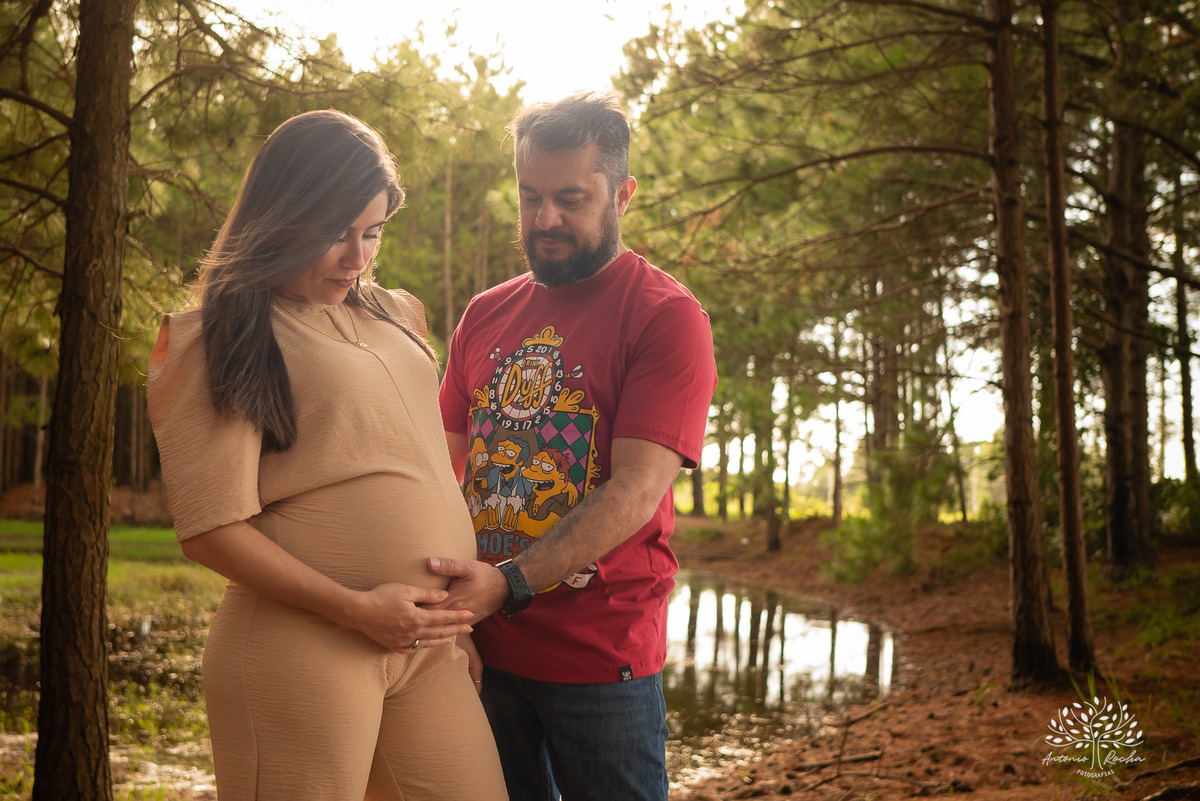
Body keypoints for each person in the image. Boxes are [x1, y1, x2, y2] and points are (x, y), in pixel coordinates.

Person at [147, 109, 507, 801]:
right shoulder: (218, 336)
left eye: (371, 232)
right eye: (333, 233)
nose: (357, 256)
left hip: (427, 644)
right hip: (301, 646)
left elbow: (421, 463)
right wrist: (356, 608)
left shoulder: (397, 314)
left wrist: (457, 630)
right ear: (281, 217)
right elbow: (209, 528)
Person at [430, 91, 718, 801]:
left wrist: (504, 584)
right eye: (530, 197)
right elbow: (440, 471)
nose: (545, 219)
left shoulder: (665, 316)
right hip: (482, 655)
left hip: (602, 663)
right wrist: (453, 619)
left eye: (570, 197)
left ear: (622, 193)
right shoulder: (485, 313)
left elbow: (634, 490)